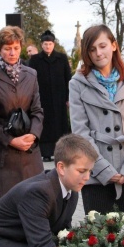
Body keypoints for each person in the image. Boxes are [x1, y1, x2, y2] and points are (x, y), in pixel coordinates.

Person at [69, 25, 124, 214]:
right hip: (96, 174)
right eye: (92, 49)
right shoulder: (77, 84)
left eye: (102, 46)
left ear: (113, 45)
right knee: (101, 237)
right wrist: (103, 169)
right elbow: (80, 132)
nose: (98, 53)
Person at [0, 26, 43, 207]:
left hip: (29, 153)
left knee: (32, 208)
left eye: (15, 48)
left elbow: (37, 110)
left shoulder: (31, 75)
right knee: (3, 212)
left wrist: (34, 134)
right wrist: (10, 140)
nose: (12, 53)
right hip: (2, 153)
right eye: (7, 49)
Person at [28, 30, 72, 162]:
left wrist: (68, 97)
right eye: (45, 44)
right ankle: (45, 153)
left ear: (54, 44)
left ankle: (61, 152)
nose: (48, 46)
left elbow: (68, 78)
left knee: (60, 125)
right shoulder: (35, 60)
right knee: (44, 125)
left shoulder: (62, 58)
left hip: (59, 98)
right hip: (42, 98)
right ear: (41, 45)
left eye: (50, 44)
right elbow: (31, 80)